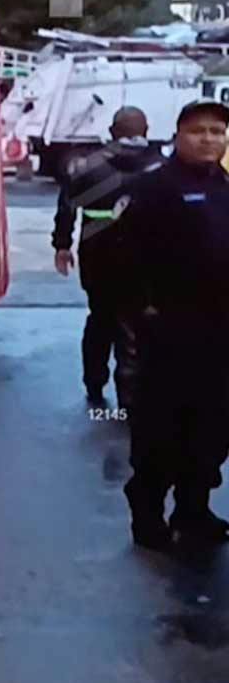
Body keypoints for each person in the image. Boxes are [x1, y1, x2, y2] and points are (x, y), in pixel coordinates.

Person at [116, 98, 229, 550]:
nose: (209, 139)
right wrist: (143, 315)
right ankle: (147, 516)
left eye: (217, 132)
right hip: (170, 337)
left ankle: (194, 510)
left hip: (219, 338)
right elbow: (121, 261)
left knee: (212, 432)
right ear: (178, 136)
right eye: (199, 131)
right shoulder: (154, 189)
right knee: (162, 433)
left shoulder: (224, 187)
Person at [51, 106, 163, 409]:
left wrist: (62, 245)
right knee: (136, 324)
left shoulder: (88, 165)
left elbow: (67, 206)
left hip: (97, 253)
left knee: (99, 319)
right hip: (144, 259)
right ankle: (130, 396)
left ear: (113, 132)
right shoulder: (160, 166)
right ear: (146, 130)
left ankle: (94, 385)